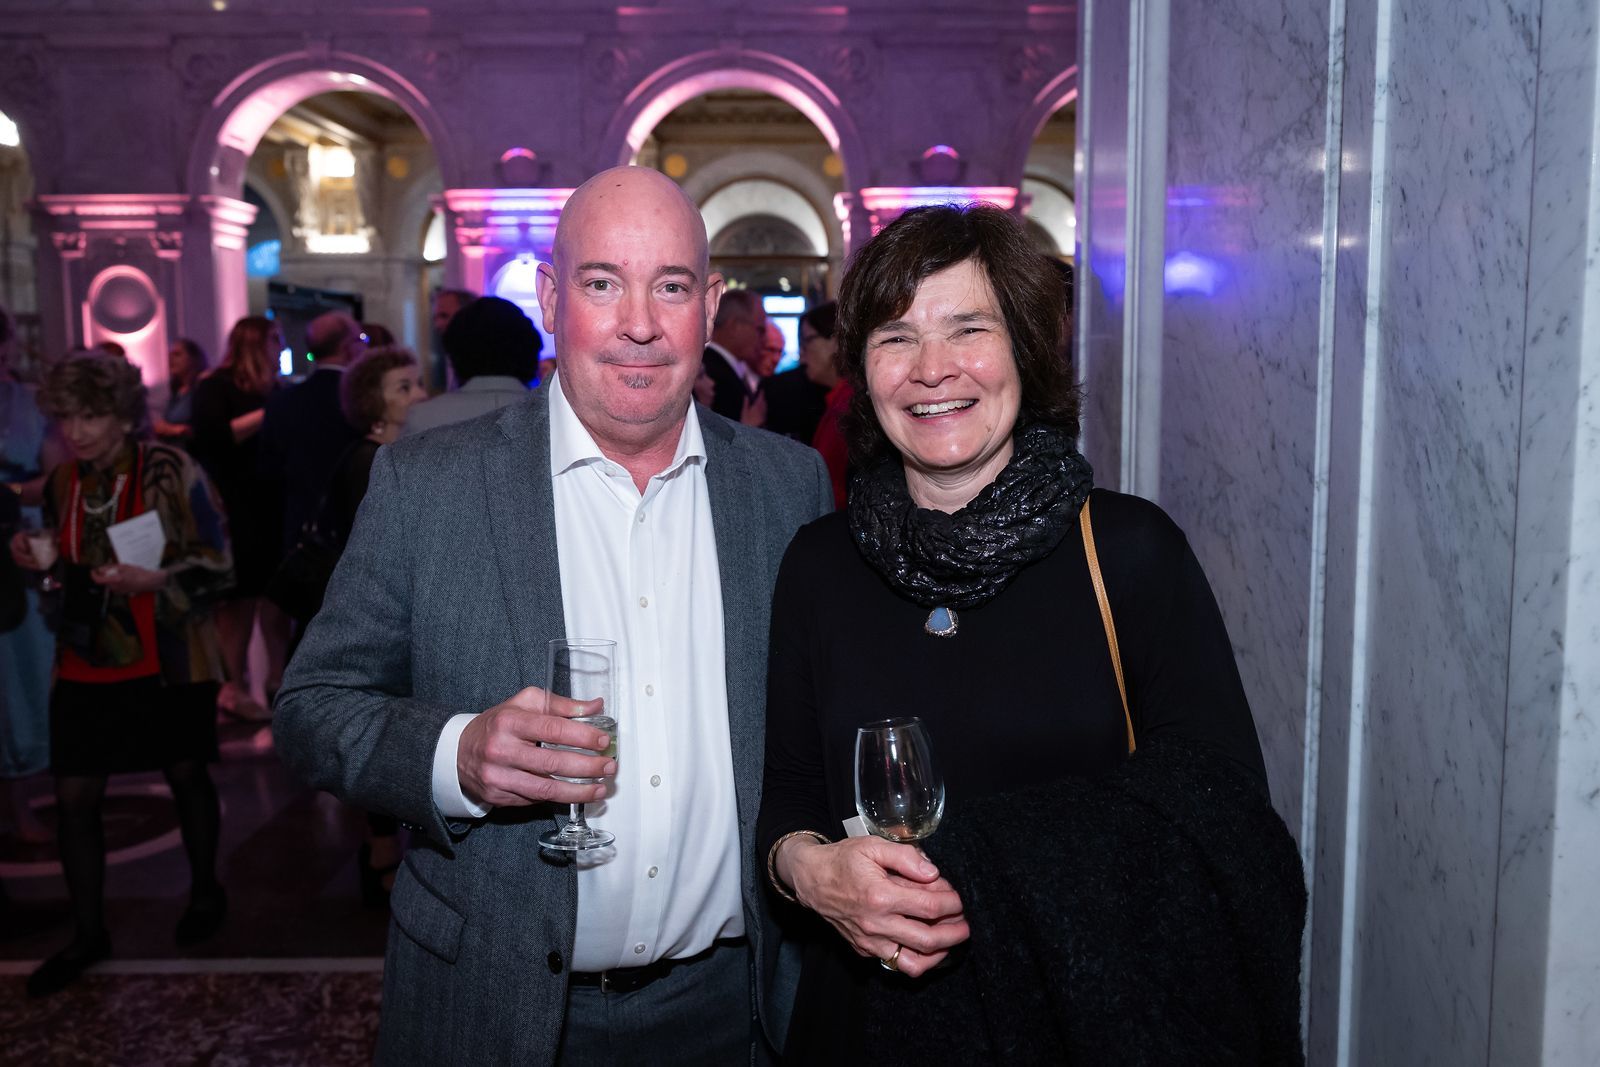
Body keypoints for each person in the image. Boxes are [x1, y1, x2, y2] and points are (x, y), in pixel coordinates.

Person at [273, 165, 832, 1065]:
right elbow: (312, 706)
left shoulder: (785, 484)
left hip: (736, 1011)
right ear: (548, 296)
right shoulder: (430, 485)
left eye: (673, 287)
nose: (640, 323)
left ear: (709, 301)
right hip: (498, 1007)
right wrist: (456, 754)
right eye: (602, 282)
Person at [757, 205, 1306, 1062]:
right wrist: (809, 870)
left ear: (1026, 348)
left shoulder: (1129, 550)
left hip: (1087, 1027)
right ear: (861, 371)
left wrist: (984, 865)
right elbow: (787, 794)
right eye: (896, 337)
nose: (932, 369)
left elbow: (1227, 816)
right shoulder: (819, 564)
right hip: (869, 1028)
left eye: (968, 328)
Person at [9, 353, 234, 998]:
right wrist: (37, 558)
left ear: (122, 414)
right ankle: (86, 932)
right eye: (68, 417)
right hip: (85, 661)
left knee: (187, 773)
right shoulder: (63, 482)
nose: (78, 430)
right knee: (76, 798)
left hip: (168, 656)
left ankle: (205, 890)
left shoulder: (168, 468)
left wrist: (158, 578)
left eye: (92, 415)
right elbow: (64, 563)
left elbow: (222, 562)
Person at [191, 316, 290, 720]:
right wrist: (271, 412)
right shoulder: (216, 386)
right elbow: (214, 437)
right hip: (233, 504)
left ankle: (277, 681)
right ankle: (231, 688)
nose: (280, 347)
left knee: (277, 598)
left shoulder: (278, 390)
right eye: (274, 340)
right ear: (254, 343)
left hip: (272, 501)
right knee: (238, 601)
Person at [0, 304, 61, 845]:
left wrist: (11, 492)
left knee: (26, 668)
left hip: (21, 546)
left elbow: (55, 473)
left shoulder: (25, 403)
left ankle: (25, 793)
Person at [257, 310, 367, 561]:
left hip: (300, 531)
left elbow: (268, 471)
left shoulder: (282, 401)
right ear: (347, 347)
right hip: (357, 527)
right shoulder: (361, 401)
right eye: (360, 339)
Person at [402, 295, 536, 436]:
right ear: (530, 348)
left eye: (444, 316)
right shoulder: (553, 414)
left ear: (455, 351)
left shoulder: (422, 417)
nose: (437, 325)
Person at [797, 302, 851, 508]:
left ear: (836, 341)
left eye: (807, 341)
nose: (802, 355)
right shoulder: (839, 400)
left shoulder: (852, 405)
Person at [701, 288, 767, 422]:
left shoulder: (718, 366)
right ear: (735, 326)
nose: (764, 339)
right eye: (760, 329)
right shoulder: (710, 373)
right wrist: (749, 432)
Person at [152, 338, 208, 447]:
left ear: (193, 359)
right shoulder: (176, 392)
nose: (171, 359)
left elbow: (207, 429)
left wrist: (173, 430)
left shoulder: (201, 389)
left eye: (177, 354)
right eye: (170, 355)